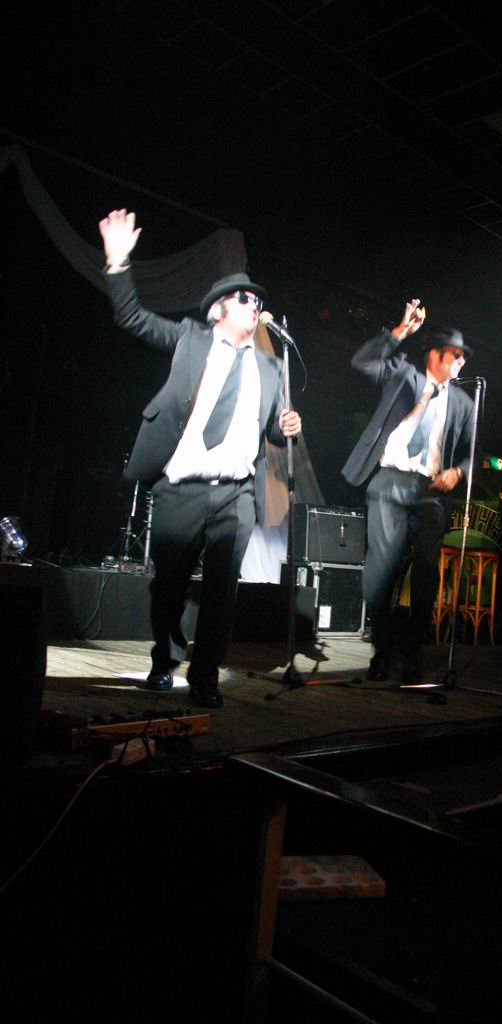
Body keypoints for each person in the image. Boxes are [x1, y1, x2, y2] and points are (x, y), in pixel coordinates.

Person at [99, 209, 301, 708]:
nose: (255, 305)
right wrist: (118, 262)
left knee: (221, 592)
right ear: (217, 311)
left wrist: (286, 427)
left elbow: (271, 431)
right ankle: (165, 658)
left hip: (237, 494)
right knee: (168, 584)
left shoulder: (271, 367)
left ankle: (205, 677)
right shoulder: (190, 340)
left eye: (258, 301)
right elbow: (132, 317)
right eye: (244, 298)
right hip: (182, 487)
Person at [342, 299, 474, 684]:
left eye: (464, 357)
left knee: (426, 577)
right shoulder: (404, 375)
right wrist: (400, 332)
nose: (461, 362)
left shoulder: (464, 403)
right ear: (434, 354)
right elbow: (362, 362)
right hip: (390, 481)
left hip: (430, 491)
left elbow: (473, 454)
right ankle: (382, 651)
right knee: (382, 573)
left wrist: (457, 472)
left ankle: (413, 653)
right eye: (454, 354)